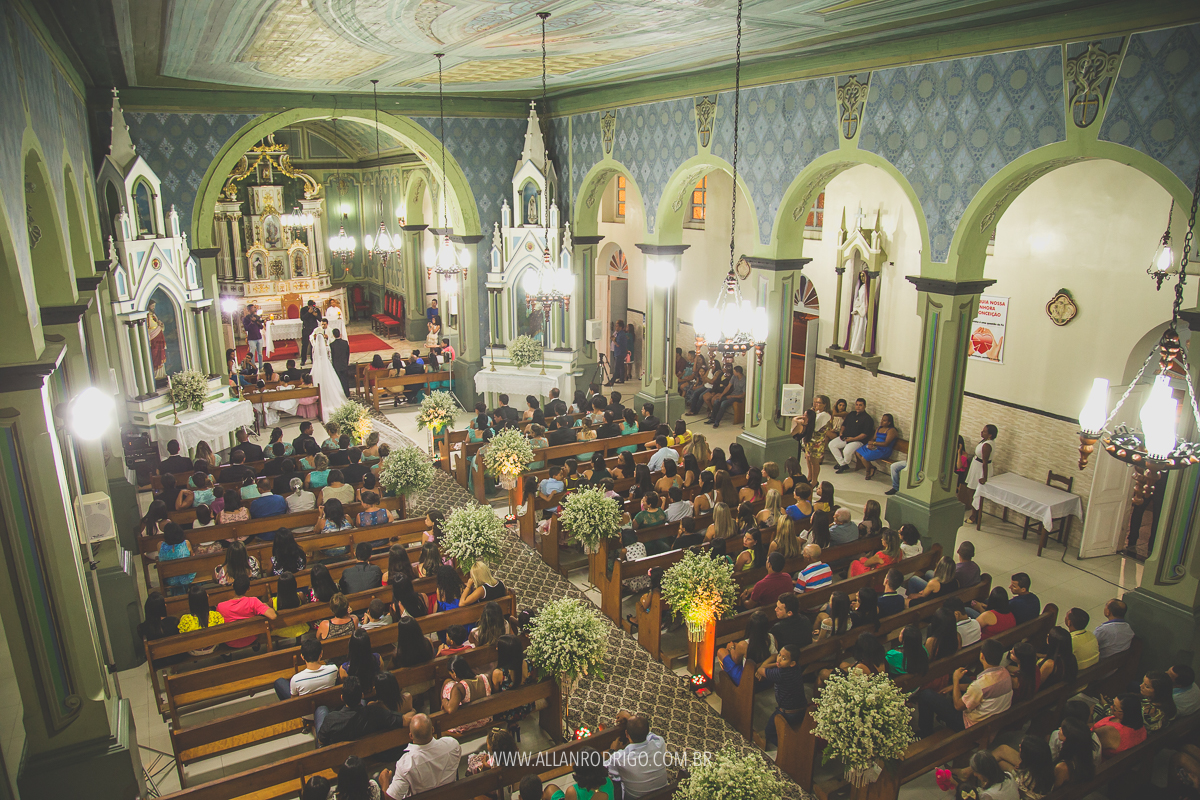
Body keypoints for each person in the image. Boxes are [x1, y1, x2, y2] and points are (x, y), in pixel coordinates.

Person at [915, 638, 1012, 738]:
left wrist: (955, 681)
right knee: (964, 678)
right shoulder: (1005, 674)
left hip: (970, 726)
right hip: (992, 718)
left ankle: (925, 733)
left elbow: (958, 706)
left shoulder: (980, 686)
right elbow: (979, 688)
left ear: (982, 656)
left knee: (926, 695)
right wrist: (953, 687)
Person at [605, 711, 669, 798]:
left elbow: (604, 769)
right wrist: (630, 717)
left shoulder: (619, 758)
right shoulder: (659, 743)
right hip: (662, 795)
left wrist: (612, 751)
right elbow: (649, 735)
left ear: (626, 734)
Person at [761, 644, 806, 747]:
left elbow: (760, 670)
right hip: (802, 709)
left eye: (784, 658)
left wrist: (771, 664)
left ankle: (788, 747)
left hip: (787, 712)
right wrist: (777, 663)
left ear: (792, 663)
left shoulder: (780, 674)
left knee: (769, 732)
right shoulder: (796, 667)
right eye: (779, 655)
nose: (779, 659)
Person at [216, 574, 278, 648]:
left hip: (230, 641)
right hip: (251, 638)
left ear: (233, 586)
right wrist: (266, 605)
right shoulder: (253, 601)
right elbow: (273, 616)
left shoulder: (221, 606)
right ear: (249, 589)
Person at [309, 320, 350, 422]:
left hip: (319, 364)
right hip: (328, 364)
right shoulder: (329, 344)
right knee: (331, 380)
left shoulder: (317, 347)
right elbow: (330, 355)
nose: (323, 325)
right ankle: (344, 394)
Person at [961, 424, 999, 524]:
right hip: (976, 466)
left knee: (973, 492)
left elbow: (985, 462)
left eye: (985, 431)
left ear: (990, 435)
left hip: (980, 470)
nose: (982, 432)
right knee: (971, 491)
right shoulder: (985, 441)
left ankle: (975, 515)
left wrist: (984, 477)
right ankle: (975, 513)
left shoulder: (987, 445)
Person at [830, 398, 874, 474]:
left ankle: (844, 464)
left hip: (858, 440)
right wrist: (841, 433)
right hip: (845, 437)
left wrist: (853, 439)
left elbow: (865, 434)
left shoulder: (867, 419)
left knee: (846, 451)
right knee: (832, 444)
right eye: (857, 405)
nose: (858, 407)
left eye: (860, 405)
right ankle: (843, 464)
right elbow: (844, 424)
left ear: (864, 406)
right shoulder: (851, 414)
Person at [856, 413, 899, 480]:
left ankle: (868, 471)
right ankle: (871, 467)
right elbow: (873, 438)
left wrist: (874, 443)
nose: (881, 421)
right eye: (882, 419)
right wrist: (871, 444)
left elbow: (886, 443)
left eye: (884, 420)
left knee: (865, 458)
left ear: (889, 423)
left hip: (883, 450)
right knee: (858, 452)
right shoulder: (879, 428)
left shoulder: (891, 430)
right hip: (875, 446)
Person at [157, 522, 195, 593]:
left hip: (170, 579)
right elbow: (191, 557)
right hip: (186, 577)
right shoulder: (186, 543)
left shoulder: (160, 545)